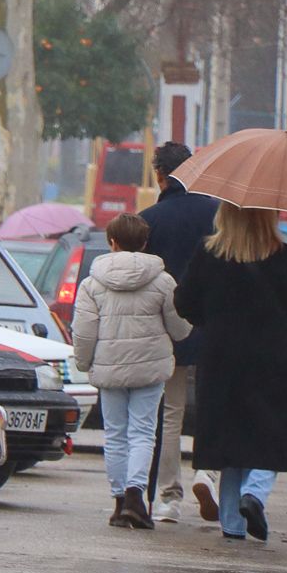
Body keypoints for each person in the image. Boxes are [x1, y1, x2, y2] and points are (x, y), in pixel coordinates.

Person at [173, 202, 287, 542]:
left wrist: (211, 320)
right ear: (267, 217)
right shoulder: (280, 255)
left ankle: (233, 526)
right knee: (270, 434)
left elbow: (184, 302)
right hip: (268, 358)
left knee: (229, 441)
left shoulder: (208, 252)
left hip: (220, 357)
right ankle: (254, 493)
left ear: (226, 214)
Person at [71, 214, 191, 530]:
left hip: (109, 367)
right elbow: (179, 329)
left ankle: (119, 502)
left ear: (112, 242)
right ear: (145, 243)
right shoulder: (163, 281)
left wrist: (83, 363)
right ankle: (136, 496)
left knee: (115, 434)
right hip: (150, 367)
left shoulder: (92, 284)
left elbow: (84, 331)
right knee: (142, 432)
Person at [137, 140, 220, 523]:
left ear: (159, 175)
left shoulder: (149, 219)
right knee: (214, 407)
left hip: (168, 327)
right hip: (216, 325)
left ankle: (169, 497)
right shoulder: (217, 215)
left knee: (170, 414)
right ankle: (209, 475)